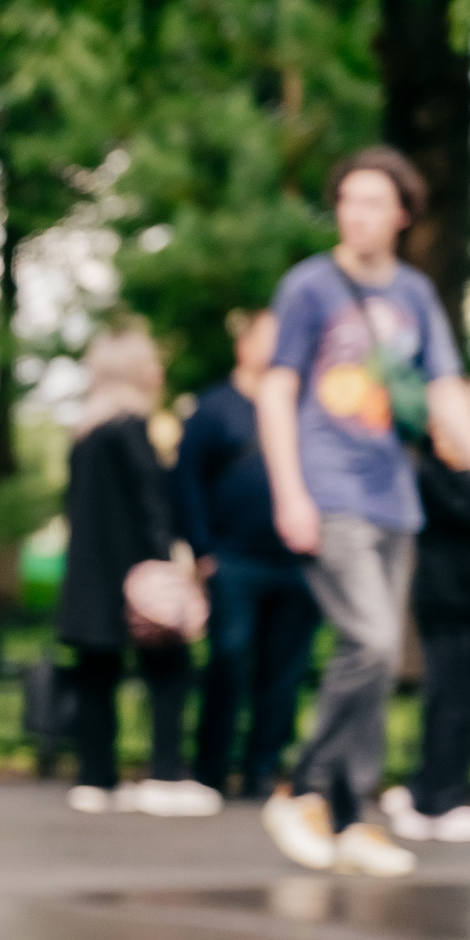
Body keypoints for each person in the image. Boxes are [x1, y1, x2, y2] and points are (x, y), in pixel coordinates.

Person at [257, 146, 470, 878]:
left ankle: (352, 817)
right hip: (329, 487)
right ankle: (302, 788)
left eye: (374, 202)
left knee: (376, 666)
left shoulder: (414, 293)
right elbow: (278, 389)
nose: (357, 214)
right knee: (374, 641)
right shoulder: (309, 286)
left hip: (393, 497)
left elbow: (446, 393)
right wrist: (289, 489)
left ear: (403, 215)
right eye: (348, 200)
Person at [54, 327, 219, 817]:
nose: (159, 371)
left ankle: (95, 778)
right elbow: (151, 504)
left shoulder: (86, 432)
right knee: (170, 670)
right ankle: (165, 774)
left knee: (96, 676)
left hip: (90, 576)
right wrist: (168, 563)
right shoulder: (131, 428)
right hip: (135, 575)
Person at [176, 309, 321, 799]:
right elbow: (187, 480)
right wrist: (204, 550)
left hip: (296, 563)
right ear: (245, 346)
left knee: (284, 673)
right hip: (234, 560)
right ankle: (211, 768)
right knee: (229, 658)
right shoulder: (215, 408)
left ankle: (262, 769)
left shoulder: (304, 409)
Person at [384, 381, 470, 843]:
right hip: (441, 599)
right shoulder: (427, 469)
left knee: (465, 696)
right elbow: (467, 512)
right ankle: (436, 799)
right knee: (447, 699)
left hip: (468, 600)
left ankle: (435, 788)